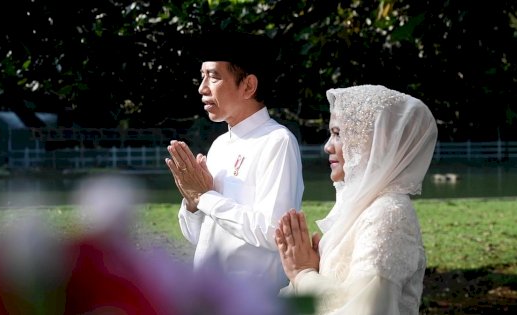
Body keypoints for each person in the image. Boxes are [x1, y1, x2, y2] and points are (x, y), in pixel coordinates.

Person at [275, 85, 438, 314]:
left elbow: (366, 309)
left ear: (374, 143)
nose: (327, 146)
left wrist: (303, 274)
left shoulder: (388, 214)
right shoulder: (364, 207)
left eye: (338, 133)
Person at [164, 31, 304, 289]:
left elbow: (274, 233)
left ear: (248, 86)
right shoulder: (219, 145)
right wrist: (193, 202)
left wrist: (206, 197)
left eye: (214, 76)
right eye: (202, 76)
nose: (202, 88)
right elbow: (201, 237)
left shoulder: (277, 141)